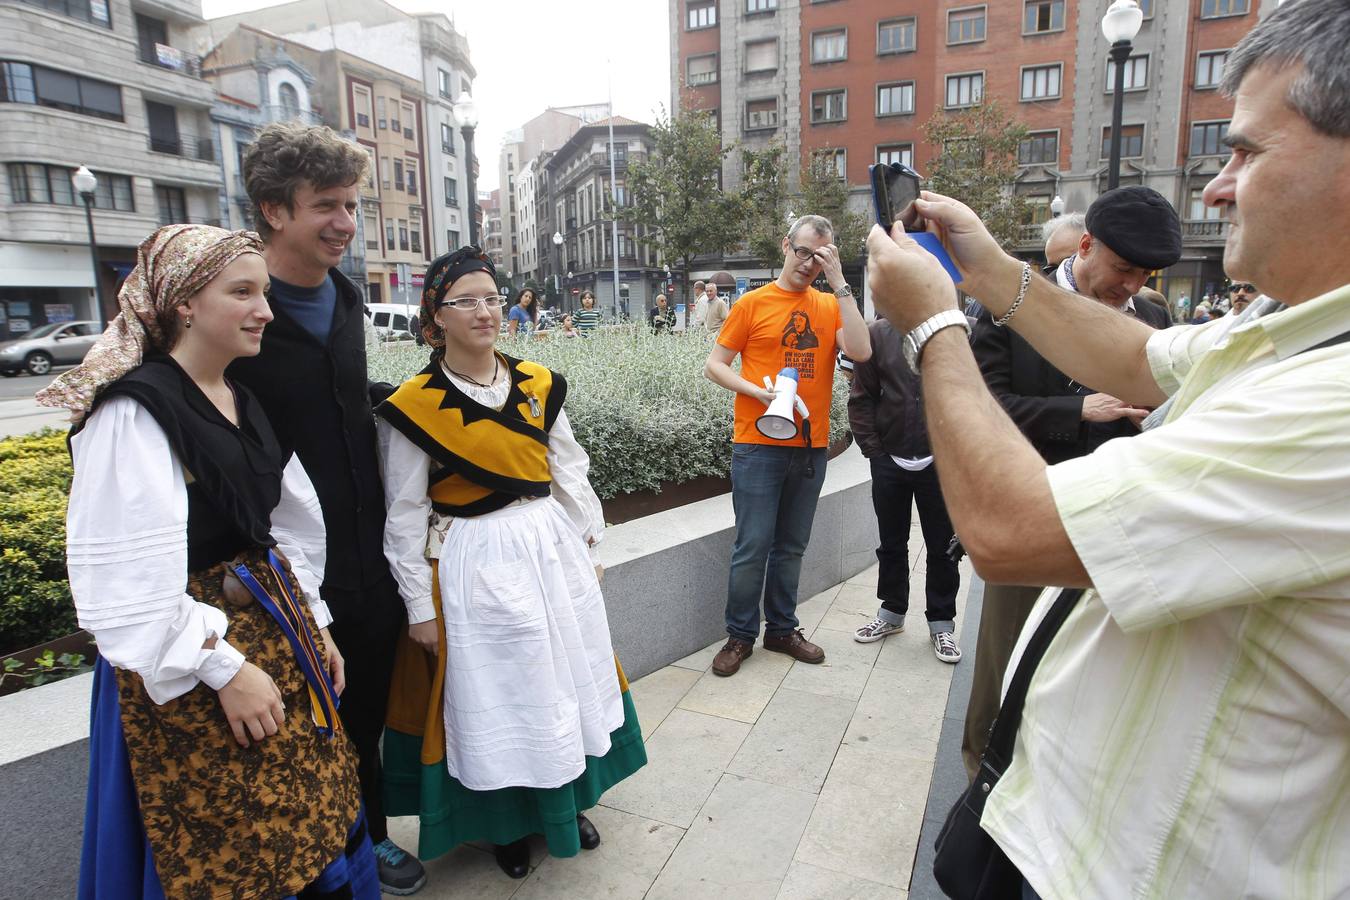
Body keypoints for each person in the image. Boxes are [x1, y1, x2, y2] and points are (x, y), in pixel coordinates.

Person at [865, 2, 1350, 895]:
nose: (1214, 186)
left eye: (1246, 152)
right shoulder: (1289, 334)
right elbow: (1137, 355)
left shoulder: (1333, 402)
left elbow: (1007, 529)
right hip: (1057, 822)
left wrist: (933, 322)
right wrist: (981, 271)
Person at [37, 225, 377, 898]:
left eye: (266, 293)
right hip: (191, 663)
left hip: (273, 639)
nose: (265, 311)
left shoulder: (240, 398)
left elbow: (287, 524)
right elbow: (123, 583)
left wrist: (316, 625)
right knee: (227, 843)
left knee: (305, 821)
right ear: (186, 302)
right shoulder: (134, 413)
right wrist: (223, 670)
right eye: (243, 292)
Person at [376, 246, 646, 880]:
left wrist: (586, 544)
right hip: (475, 562)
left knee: (561, 681)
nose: (485, 312)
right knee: (498, 692)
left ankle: (568, 800)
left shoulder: (537, 383)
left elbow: (568, 468)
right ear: (435, 317)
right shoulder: (413, 408)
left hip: (549, 553)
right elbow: (403, 515)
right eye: (465, 300)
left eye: (493, 298)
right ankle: (503, 824)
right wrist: (419, 606)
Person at [228, 123, 424, 893]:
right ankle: (326, 852)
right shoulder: (238, 306)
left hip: (367, 548)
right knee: (313, 719)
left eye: (352, 205)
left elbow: (344, 405)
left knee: (366, 706)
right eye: (327, 207)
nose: (346, 223)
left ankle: (366, 835)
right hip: (286, 562)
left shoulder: (345, 297)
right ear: (275, 210)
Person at [961, 184, 1178, 780]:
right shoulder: (1011, 305)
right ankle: (983, 771)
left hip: (1120, 510)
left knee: (1092, 655)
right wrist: (1077, 411)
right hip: (1037, 505)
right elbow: (985, 405)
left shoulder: (1156, 314)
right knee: (1007, 655)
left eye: (1145, 274)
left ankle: (1063, 775)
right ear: (1085, 245)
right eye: (1123, 268)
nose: (1131, 285)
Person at [704, 214, 871, 676]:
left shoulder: (829, 303)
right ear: (785, 246)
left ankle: (781, 629)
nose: (808, 263)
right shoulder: (753, 304)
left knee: (792, 545)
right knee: (752, 544)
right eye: (802, 252)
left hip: (809, 444)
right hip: (757, 443)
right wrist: (752, 391)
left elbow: (860, 351)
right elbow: (715, 365)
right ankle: (740, 635)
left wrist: (840, 282)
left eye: (820, 256)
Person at [848, 317, 962, 663]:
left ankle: (941, 623)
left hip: (939, 462)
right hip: (889, 460)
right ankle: (891, 613)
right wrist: (875, 452)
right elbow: (861, 397)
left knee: (944, 547)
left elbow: (973, 396)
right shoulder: (877, 335)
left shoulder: (955, 332)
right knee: (892, 543)